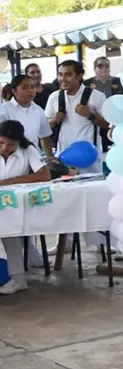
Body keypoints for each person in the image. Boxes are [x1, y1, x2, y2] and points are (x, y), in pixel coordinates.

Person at [0, 121, 52, 295]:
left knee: (10, 230)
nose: (5, 148)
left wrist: (9, 182)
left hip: (13, 203)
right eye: (1, 143)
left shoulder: (28, 150)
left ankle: (18, 278)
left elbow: (44, 175)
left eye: (11, 144)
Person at [45, 60, 108, 175]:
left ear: (79, 76)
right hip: (63, 158)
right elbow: (45, 126)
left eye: (68, 75)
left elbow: (108, 125)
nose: (63, 78)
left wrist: (90, 115)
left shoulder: (97, 96)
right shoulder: (54, 97)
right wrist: (54, 120)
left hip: (90, 159)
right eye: (60, 74)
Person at [2, 75, 53, 156]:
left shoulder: (38, 110)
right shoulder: (4, 110)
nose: (30, 91)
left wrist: (49, 156)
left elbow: (45, 136)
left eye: (32, 87)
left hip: (34, 159)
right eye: (24, 88)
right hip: (11, 158)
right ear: (14, 91)